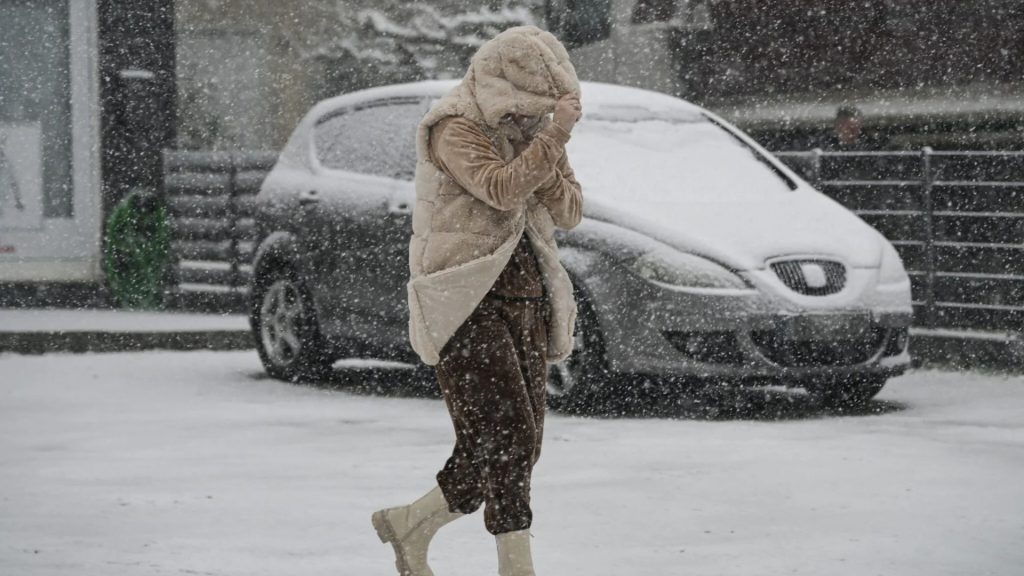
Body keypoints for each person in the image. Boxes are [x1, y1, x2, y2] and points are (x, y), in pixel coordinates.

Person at [371, 26, 583, 576]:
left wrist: (549, 150)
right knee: (507, 434)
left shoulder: (534, 135)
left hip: (527, 295)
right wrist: (550, 140)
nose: (525, 122)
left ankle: (411, 523)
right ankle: (517, 566)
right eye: (521, 111)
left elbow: (570, 211)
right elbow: (498, 188)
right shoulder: (453, 127)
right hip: (463, 299)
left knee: (511, 442)